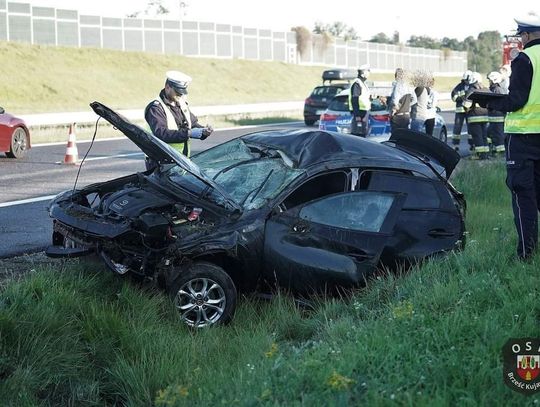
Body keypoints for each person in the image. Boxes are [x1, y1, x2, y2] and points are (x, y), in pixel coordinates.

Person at [485, 12, 540, 260]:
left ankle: (527, 253)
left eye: (521, 36)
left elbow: (517, 100)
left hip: (522, 137)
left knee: (523, 193)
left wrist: (487, 100)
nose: (519, 41)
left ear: (527, 35)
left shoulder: (525, 58)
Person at [145, 70, 213, 162]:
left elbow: (192, 124)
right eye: (177, 91)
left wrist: (203, 131)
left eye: (182, 92)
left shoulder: (181, 104)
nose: (180, 94)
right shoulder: (156, 108)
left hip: (181, 161)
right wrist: (189, 133)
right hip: (161, 162)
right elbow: (161, 134)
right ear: (167, 87)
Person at [463, 72, 489, 159]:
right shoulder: (485, 89)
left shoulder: (471, 90)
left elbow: (467, 105)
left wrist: (466, 110)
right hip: (485, 116)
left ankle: (479, 155)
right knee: (484, 136)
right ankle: (485, 154)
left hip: (474, 117)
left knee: (477, 136)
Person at [388, 68, 417, 133]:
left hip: (398, 116)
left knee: (396, 136)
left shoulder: (398, 85)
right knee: (405, 136)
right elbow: (415, 100)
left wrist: (394, 110)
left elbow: (395, 101)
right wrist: (407, 105)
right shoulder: (409, 86)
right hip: (406, 115)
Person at [450, 70, 473, 152]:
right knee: (457, 128)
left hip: (470, 110)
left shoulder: (472, 86)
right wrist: (462, 98)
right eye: (465, 80)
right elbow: (454, 97)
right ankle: (455, 145)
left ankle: (472, 144)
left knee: (471, 128)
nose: (466, 82)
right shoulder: (459, 87)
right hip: (460, 111)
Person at [486, 71, 507, 156]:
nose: (489, 82)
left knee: (498, 134)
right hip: (493, 116)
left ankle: (500, 152)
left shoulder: (497, 89)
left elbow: (501, 103)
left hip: (497, 116)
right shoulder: (493, 89)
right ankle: (494, 148)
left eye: (490, 80)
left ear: (494, 80)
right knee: (490, 133)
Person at [410, 71, 437, 136]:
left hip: (421, 115)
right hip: (427, 115)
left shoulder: (421, 88)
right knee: (428, 136)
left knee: (416, 136)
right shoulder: (429, 90)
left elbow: (413, 100)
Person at [348, 64, 371, 137]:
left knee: (363, 134)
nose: (369, 73)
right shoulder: (357, 83)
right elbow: (355, 99)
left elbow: (364, 97)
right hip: (360, 113)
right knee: (358, 135)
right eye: (368, 71)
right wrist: (357, 114)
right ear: (363, 72)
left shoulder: (362, 83)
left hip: (364, 112)